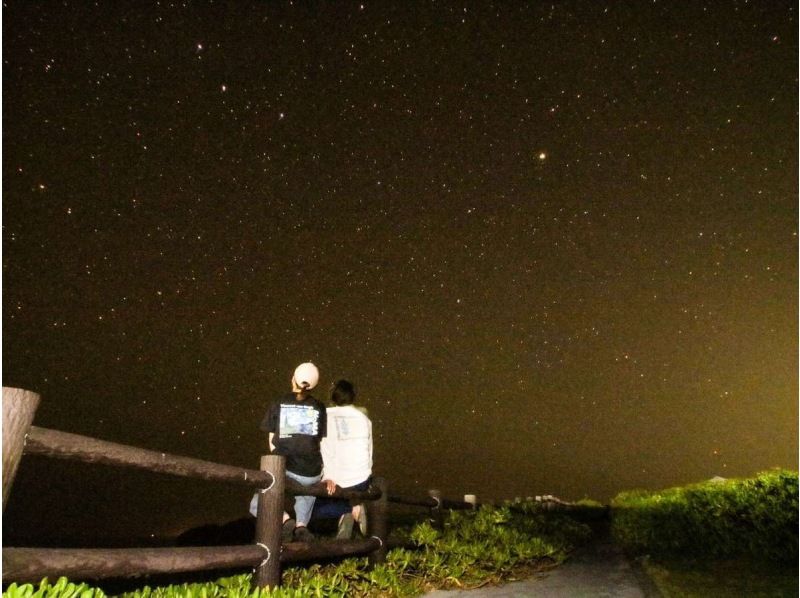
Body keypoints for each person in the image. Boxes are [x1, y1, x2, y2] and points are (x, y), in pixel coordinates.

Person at [250, 362, 326, 543]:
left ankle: (286, 520)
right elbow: (320, 440)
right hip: (311, 469)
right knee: (307, 492)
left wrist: (279, 458)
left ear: (293, 378)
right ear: (314, 385)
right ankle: (301, 526)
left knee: (257, 503)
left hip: (284, 465)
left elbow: (271, 438)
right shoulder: (319, 406)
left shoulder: (279, 402)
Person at [314, 379, 373, 539]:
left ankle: (347, 510)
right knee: (348, 494)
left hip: (337, 481)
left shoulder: (323, 416)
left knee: (313, 507)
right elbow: (369, 451)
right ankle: (354, 506)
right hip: (362, 480)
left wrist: (327, 477)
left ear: (332, 397)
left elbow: (324, 450)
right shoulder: (364, 418)